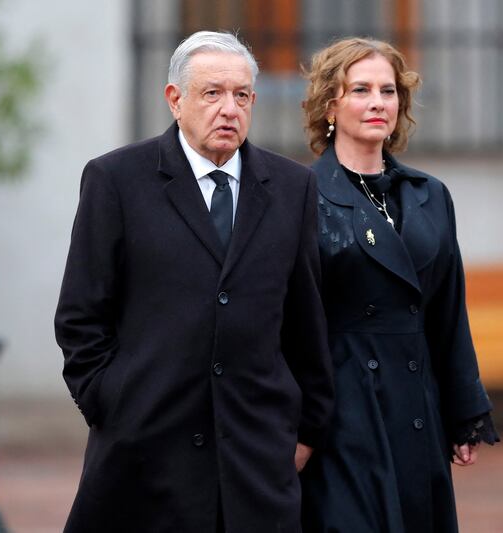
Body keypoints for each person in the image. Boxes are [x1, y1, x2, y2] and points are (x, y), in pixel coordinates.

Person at [54, 30, 334, 533]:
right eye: (212, 93)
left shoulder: (293, 188)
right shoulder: (116, 180)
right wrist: (115, 403)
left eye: (242, 95)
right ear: (175, 100)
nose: (230, 109)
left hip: (255, 463)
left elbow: (305, 323)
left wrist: (305, 431)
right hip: (145, 457)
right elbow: (80, 317)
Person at [299, 37, 500, 532]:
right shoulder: (303, 194)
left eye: (388, 91)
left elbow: (448, 308)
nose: (377, 103)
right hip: (344, 404)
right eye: (361, 89)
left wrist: (464, 408)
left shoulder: (430, 195)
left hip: (415, 401)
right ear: (331, 104)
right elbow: (290, 319)